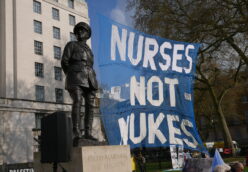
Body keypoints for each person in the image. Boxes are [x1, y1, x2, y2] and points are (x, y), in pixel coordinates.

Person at [61, 22, 98, 146]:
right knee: (77, 101)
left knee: (90, 106)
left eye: (82, 30)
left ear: (87, 34)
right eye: (78, 31)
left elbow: (90, 65)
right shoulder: (71, 45)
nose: (79, 32)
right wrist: (72, 74)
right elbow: (64, 62)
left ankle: (88, 132)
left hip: (90, 79)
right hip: (75, 77)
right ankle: (76, 132)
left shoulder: (90, 51)